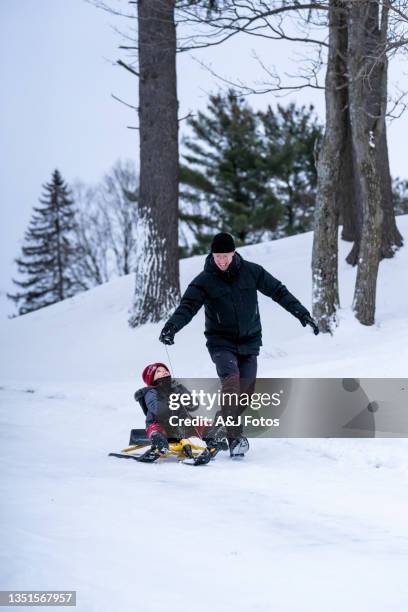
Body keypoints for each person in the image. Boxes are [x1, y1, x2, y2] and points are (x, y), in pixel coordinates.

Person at [159, 232, 319, 457]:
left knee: (246, 391)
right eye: (217, 257)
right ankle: (234, 439)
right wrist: (171, 327)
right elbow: (187, 306)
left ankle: (220, 424)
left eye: (225, 256)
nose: (222, 261)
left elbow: (278, 291)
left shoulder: (252, 272)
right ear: (212, 255)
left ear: (234, 253)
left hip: (249, 341)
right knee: (232, 380)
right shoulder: (204, 280)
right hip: (220, 342)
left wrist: (302, 314)